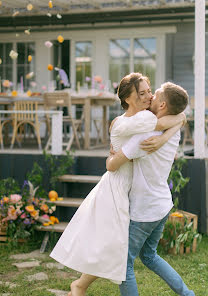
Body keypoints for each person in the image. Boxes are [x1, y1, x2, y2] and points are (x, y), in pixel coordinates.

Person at [50, 73, 185, 296]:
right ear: (129, 98)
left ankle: (79, 285)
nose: (149, 97)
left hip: (135, 195)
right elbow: (173, 119)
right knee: (111, 248)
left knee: (115, 251)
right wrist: (173, 126)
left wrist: (162, 136)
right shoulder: (139, 125)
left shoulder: (145, 126)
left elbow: (171, 119)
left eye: (150, 92)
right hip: (120, 190)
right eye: (143, 93)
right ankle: (79, 285)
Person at [106, 82, 195, 296]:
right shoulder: (172, 131)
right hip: (162, 204)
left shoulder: (144, 137)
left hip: (145, 209)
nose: (150, 97)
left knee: (123, 266)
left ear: (162, 104)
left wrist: (112, 154)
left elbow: (112, 165)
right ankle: (187, 294)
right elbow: (179, 118)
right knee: (149, 256)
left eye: (154, 95)